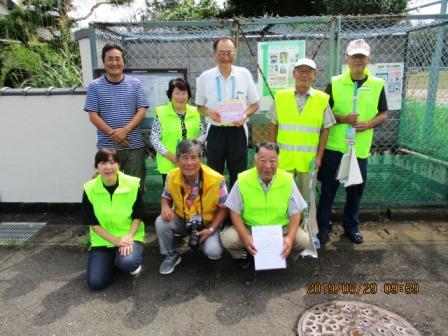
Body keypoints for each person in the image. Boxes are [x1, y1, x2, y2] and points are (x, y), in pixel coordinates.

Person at [317, 39, 388, 245]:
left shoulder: (377, 84)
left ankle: (351, 227)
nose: (358, 60)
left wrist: (369, 124)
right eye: (354, 56)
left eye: (361, 56)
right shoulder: (335, 82)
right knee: (328, 190)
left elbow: (383, 113)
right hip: (335, 148)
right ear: (347, 59)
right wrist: (342, 118)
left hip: (359, 150)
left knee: (355, 191)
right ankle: (323, 228)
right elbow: (324, 112)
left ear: (368, 59)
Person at [221, 142, 309, 267]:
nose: (267, 166)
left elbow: (295, 211)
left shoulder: (287, 179)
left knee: (302, 240)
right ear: (255, 161)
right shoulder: (243, 179)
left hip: (279, 229)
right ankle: (244, 254)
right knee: (229, 239)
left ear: (278, 162)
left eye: (272, 161)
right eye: (262, 160)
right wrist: (245, 236)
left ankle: (285, 254)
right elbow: (234, 211)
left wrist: (289, 238)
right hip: (250, 228)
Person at [154, 140, 228, 275]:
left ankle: (204, 240)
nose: (189, 163)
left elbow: (224, 208)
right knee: (161, 221)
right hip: (182, 220)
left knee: (214, 252)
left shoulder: (217, 179)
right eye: (184, 158)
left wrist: (211, 229)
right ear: (177, 160)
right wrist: (165, 207)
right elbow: (166, 197)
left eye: (194, 157)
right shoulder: (171, 176)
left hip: (207, 224)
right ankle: (170, 255)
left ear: (201, 159)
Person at [195, 36, 260, 187]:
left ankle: (235, 210)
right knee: (213, 175)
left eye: (229, 53)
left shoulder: (244, 74)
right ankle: (216, 208)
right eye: (221, 52)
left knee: (239, 175)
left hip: (237, 132)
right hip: (215, 132)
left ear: (235, 54)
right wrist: (210, 113)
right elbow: (199, 106)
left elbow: (255, 104)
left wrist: (244, 115)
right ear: (214, 54)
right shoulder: (205, 77)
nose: (225, 57)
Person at [268, 58, 335, 202]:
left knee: (307, 200)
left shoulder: (322, 99)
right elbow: (273, 124)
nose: (304, 75)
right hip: (284, 159)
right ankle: (284, 225)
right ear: (294, 74)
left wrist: (318, 157)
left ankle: (307, 225)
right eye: (300, 71)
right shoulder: (281, 96)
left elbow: (326, 128)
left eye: (308, 71)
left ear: (314, 75)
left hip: (308, 160)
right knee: (281, 196)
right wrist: (272, 152)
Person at [84, 43, 149, 191]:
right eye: (110, 59)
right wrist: (115, 135)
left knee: (135, 186)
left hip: (134, 147)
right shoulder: (94, 86)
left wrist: (125, 130)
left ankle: (134, 215)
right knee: (108, 187)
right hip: (107, 147)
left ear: (123, 61)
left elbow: (141, 110)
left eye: (118, 59)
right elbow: (93, 115)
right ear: (104, 62)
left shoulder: (135, 84)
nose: (114, 63)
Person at [82, 148, 145, 290]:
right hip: (103, 240)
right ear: (97, 167)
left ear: (118, 165)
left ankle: (124, 259)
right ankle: (112, 259)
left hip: (129, 237)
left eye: (112, 162)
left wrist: (129, 237)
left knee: (128, 263)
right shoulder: (89, 188)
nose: (108, 167)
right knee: (95, 283)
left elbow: (138, 216)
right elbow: (93, 224)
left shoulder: (132, 184)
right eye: (103, 163)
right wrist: (116, 242)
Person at [150, 78, 206, 184]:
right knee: (171, 196)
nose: (180, 97)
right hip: (169, 163)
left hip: (191, 163)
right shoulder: (162, 113)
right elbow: (154, 138)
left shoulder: (195, 112)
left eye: (184, 93)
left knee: (192, 196)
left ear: (188, 95)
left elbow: (203, 133)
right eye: (177, 93)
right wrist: (172, 157)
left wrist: (194, 148)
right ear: (170, 95)